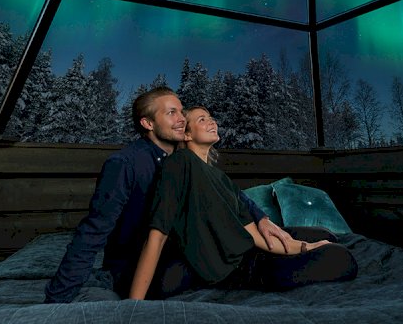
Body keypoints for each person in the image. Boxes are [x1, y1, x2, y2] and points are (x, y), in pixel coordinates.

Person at [44, 87, 293, 302]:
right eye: (171, 112)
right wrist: (56, 301)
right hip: (142, 267)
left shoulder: (185, 158)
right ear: (148, 123)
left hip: (186, 251)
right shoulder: (125, 164)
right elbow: (92, 232)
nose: (181, 118)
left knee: (285, 242)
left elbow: (230, 193)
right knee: (264, 260)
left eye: (181, 111)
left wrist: (262, 218)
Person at [129, 106, 358, 300]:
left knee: (326, 235)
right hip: (239, 267)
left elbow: (249, 223)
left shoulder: (218, 177)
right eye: (202, 119)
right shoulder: (180, 163)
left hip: (249, 247)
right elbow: (157, 233)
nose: (212, 122)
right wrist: (133, 305)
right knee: (341, 258)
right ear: (186, 135)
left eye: (211, 117)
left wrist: (284, 235)